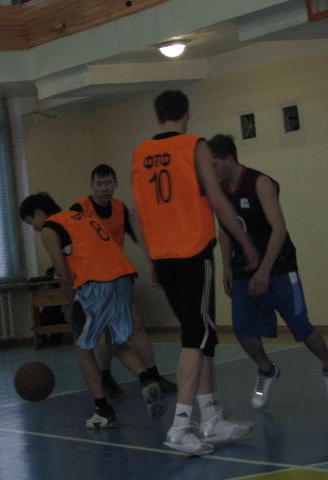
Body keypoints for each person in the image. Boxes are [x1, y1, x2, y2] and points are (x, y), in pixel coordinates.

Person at [130, 90, 259, 456]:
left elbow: (136, 214)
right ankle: (181, 427)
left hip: (163, 256)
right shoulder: (194, 146)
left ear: (158, 117)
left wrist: (149, 259)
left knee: (202, 338)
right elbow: (217, 200)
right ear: (186, 114)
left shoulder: (140, 153)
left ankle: (211, 419)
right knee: (195, 338)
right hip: (192, 253)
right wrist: (245, 242)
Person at [208, 133, 328, 408]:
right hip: (244, 271)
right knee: (242, 329)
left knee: (302, 327)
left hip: (279, 267)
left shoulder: (260, 183)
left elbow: (279, 229)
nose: (211, 172)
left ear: (228, 159)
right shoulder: (219, 191)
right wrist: (226, 267)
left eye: (214, 165)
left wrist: (264, 271)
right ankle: (266, 370)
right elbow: (224, 230)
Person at [19, 192, 167, 429]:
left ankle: (103, 410)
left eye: (31, 223)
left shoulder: (49, 229)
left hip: (95, 285)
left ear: (38, 214)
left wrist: (71, 305)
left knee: (83, 346)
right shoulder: (81, 217)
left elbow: (62, 274)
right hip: (122, 278)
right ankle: (147, 380)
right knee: (115, 343)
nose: (34, 229)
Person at [70, 163, 177, 399]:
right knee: (105, 330)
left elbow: (139, 236)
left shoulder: (120, 209)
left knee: (135, 323)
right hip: (92, 280)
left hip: (117, 277)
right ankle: (107, 375)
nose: (104, 188)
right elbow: (67, 242)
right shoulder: (80, 209)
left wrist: (155, 261)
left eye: (108, 183)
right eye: (99, 183)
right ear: (91, 185)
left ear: (115, 184)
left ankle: (153, 375)